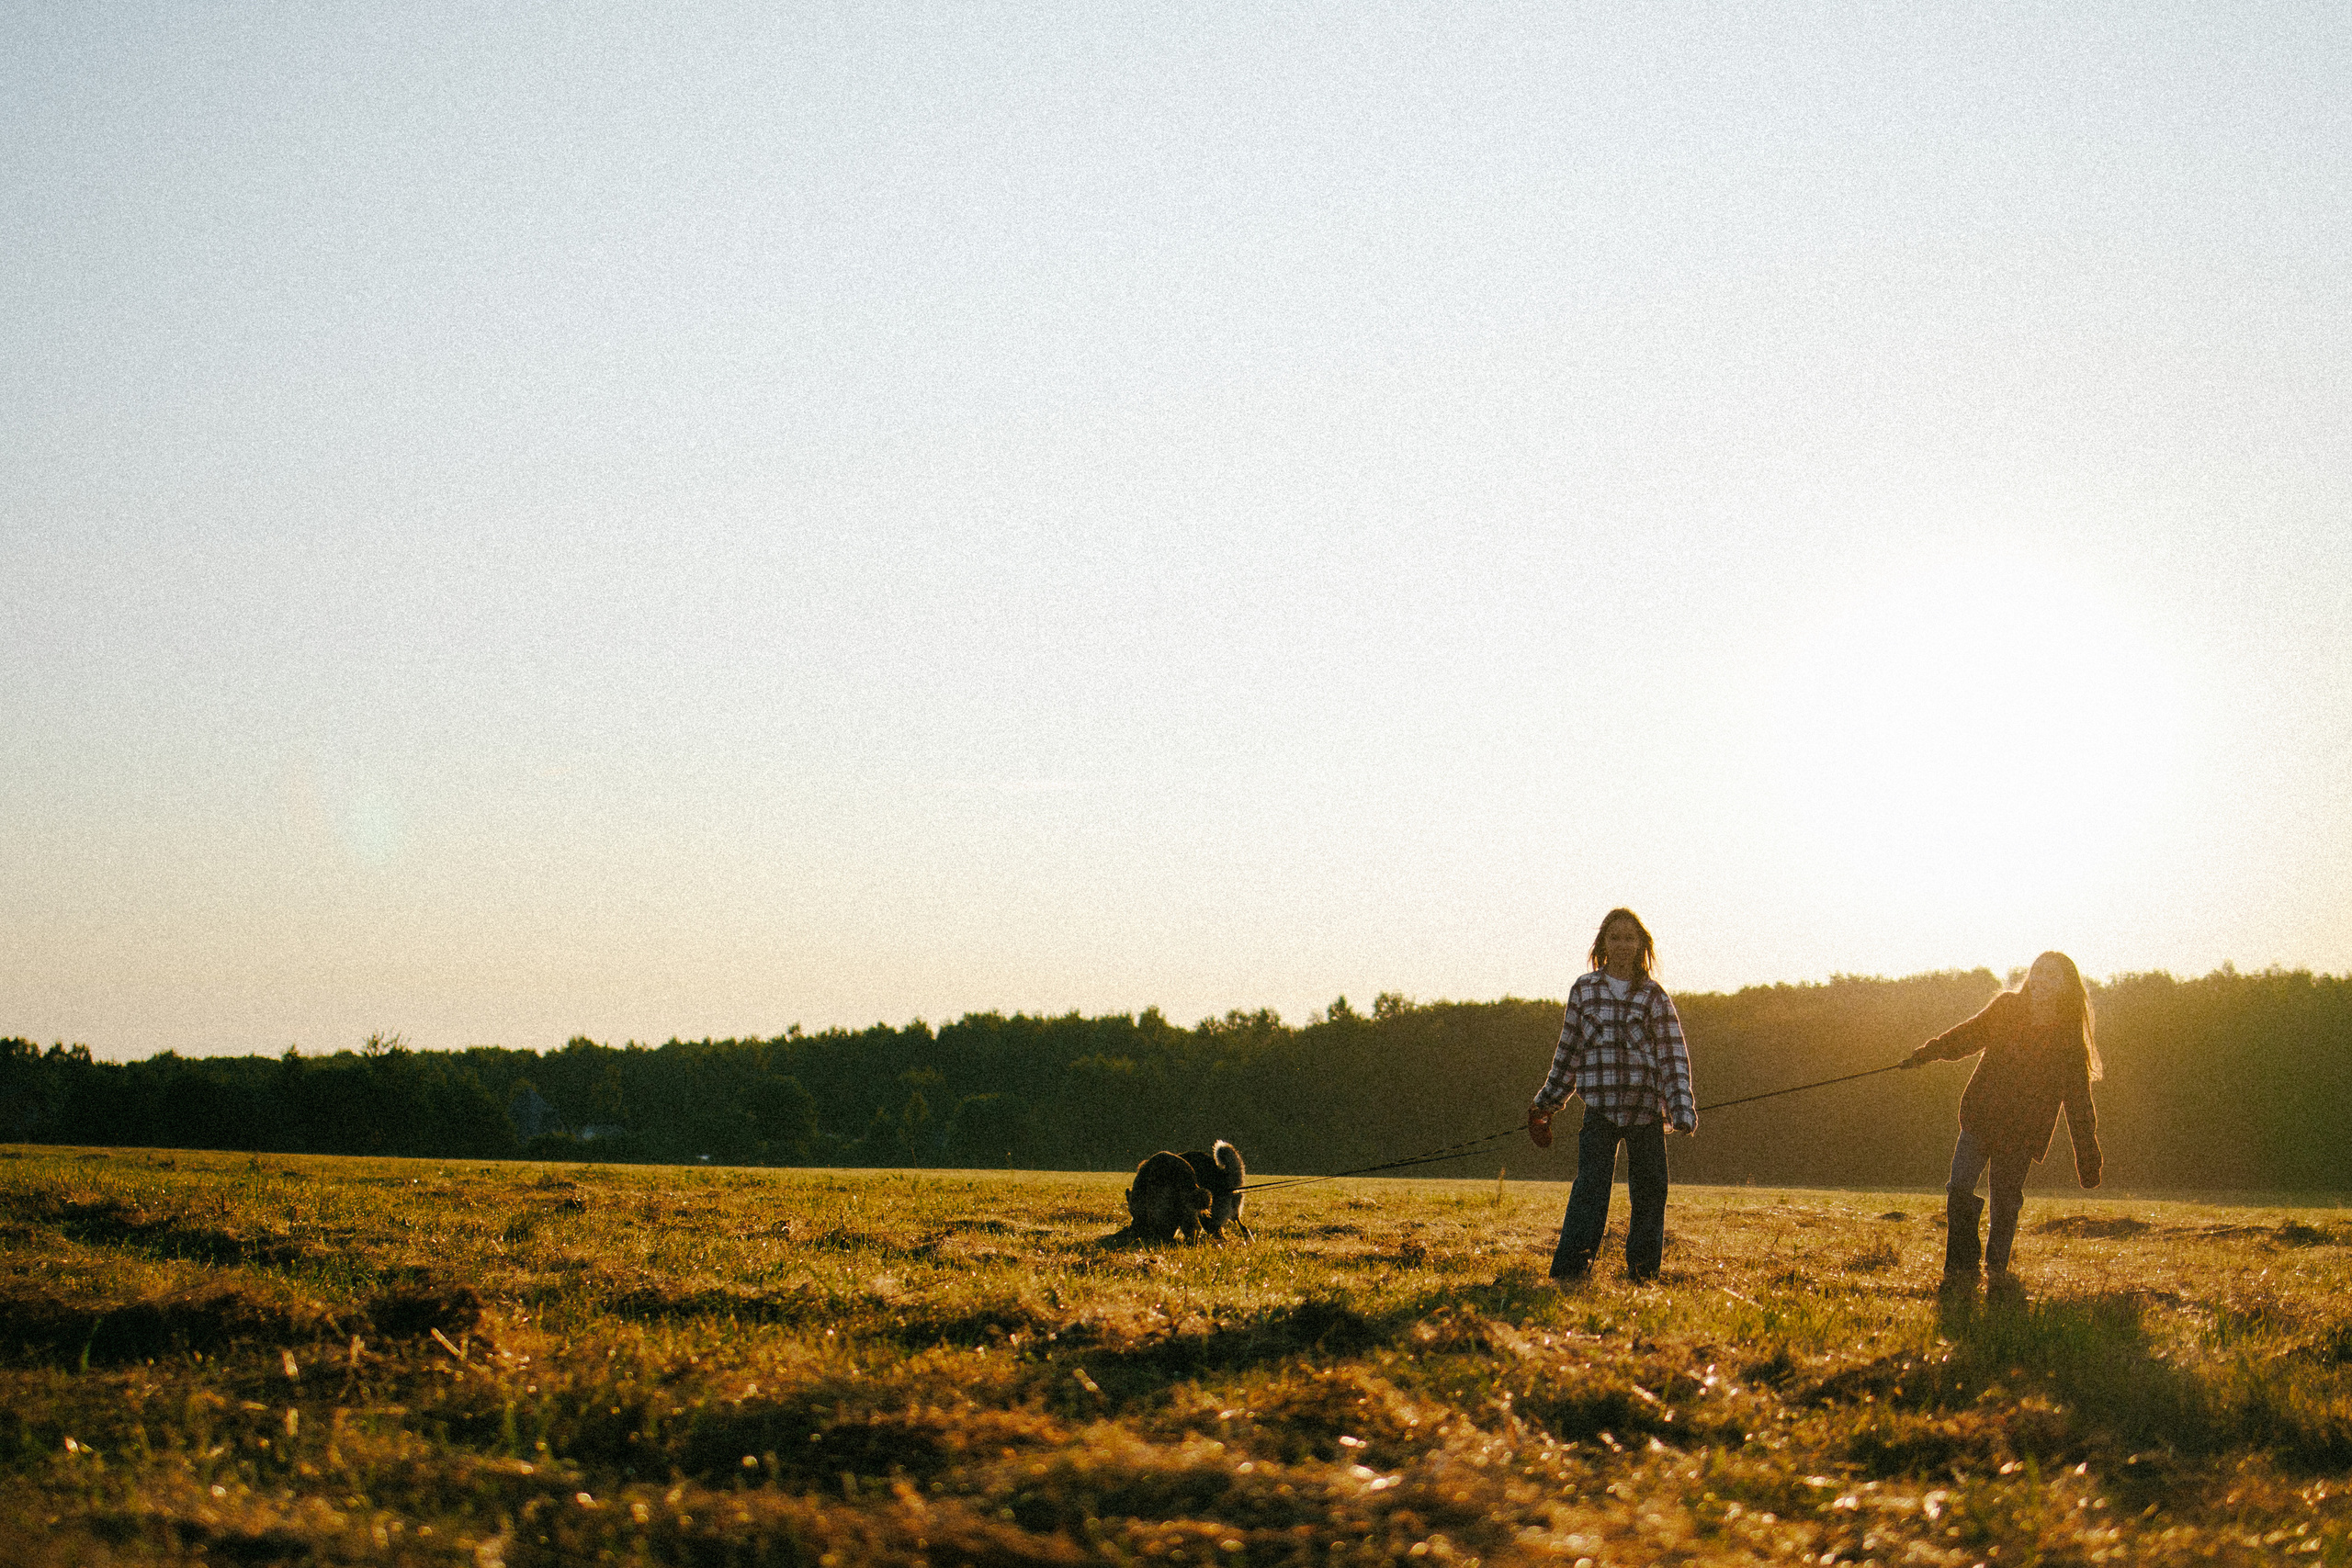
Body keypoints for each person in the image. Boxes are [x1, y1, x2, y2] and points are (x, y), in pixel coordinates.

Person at [1902, 951, 2104, 1292]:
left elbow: (2079, 1103)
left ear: (2066, 986)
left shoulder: (2068, 1039)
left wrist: (2087, 1157)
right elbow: (1966, 1036)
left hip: (2023, 1132)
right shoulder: (2008, 1007)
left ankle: (1996, 1269)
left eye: (2053, 977)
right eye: (2038, 972)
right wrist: (1926, 1054)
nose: (2042, 981)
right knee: (1960, 1187)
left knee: (2006, 1200)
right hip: (1981, 1116)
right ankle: (1961, 1267)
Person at [1526, 907, 1697, 1282]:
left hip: (1646, 1112)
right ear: (1604, 943)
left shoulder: (1654, 996)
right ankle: (1571, 1271)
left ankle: (1642, 1274)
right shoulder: (1584, 990)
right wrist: (1545, 1106)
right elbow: (1567, 1053)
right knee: (1590, 1190)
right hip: (1599, 1111)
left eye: (1629, 938)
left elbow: (1672, 1055)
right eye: (1615, 937)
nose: (1622, 945)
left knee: (1650, 1194)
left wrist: (1680, 1107)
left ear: (1641, 946)